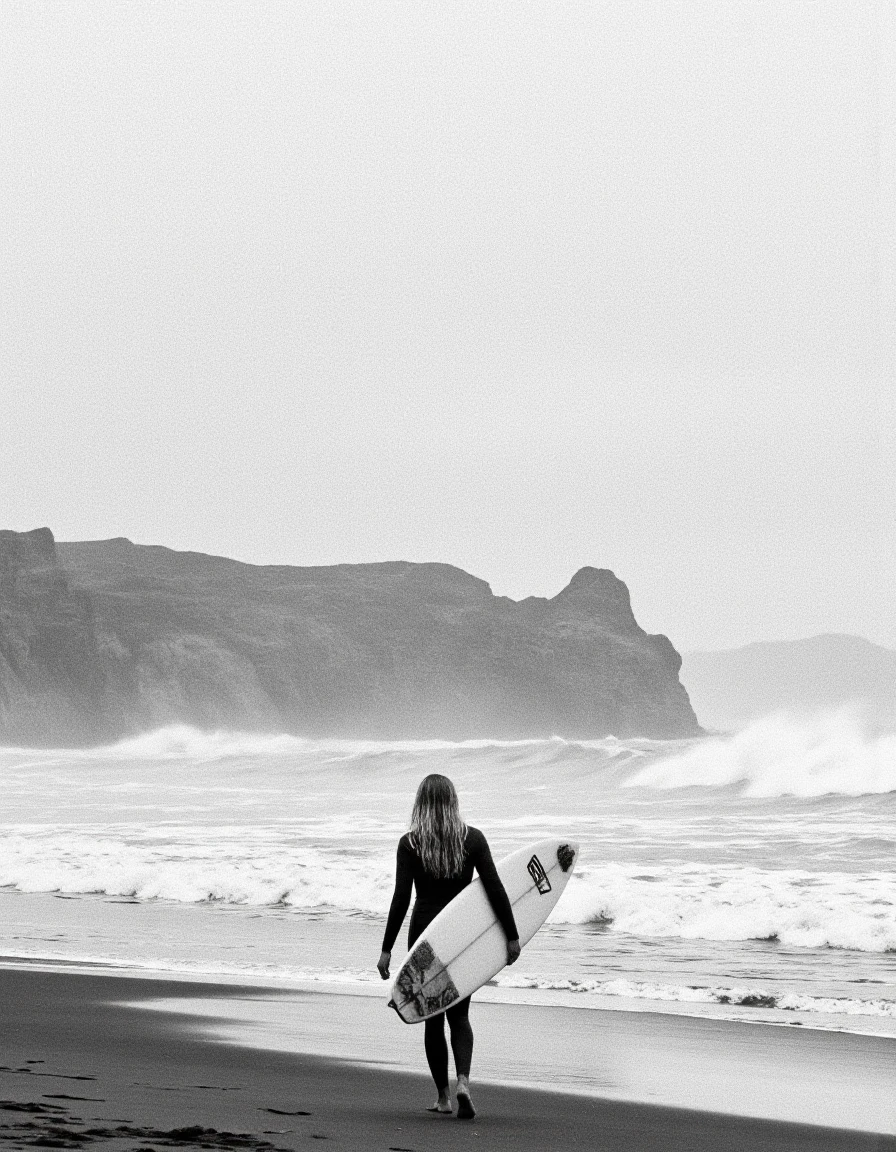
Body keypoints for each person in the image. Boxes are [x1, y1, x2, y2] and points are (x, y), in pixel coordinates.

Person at [377, 773, 520, 1120]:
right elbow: (494, 887)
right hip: (462, 936)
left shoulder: (409, 844)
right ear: (454, 800)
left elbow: (401, 898)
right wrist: (512, 935)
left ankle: (443, 1097)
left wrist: (386, 949)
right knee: (460, 1014)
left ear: (420, 802)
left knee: (432, 1019)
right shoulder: (472, 839)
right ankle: (464, 1083)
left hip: (425, 937)